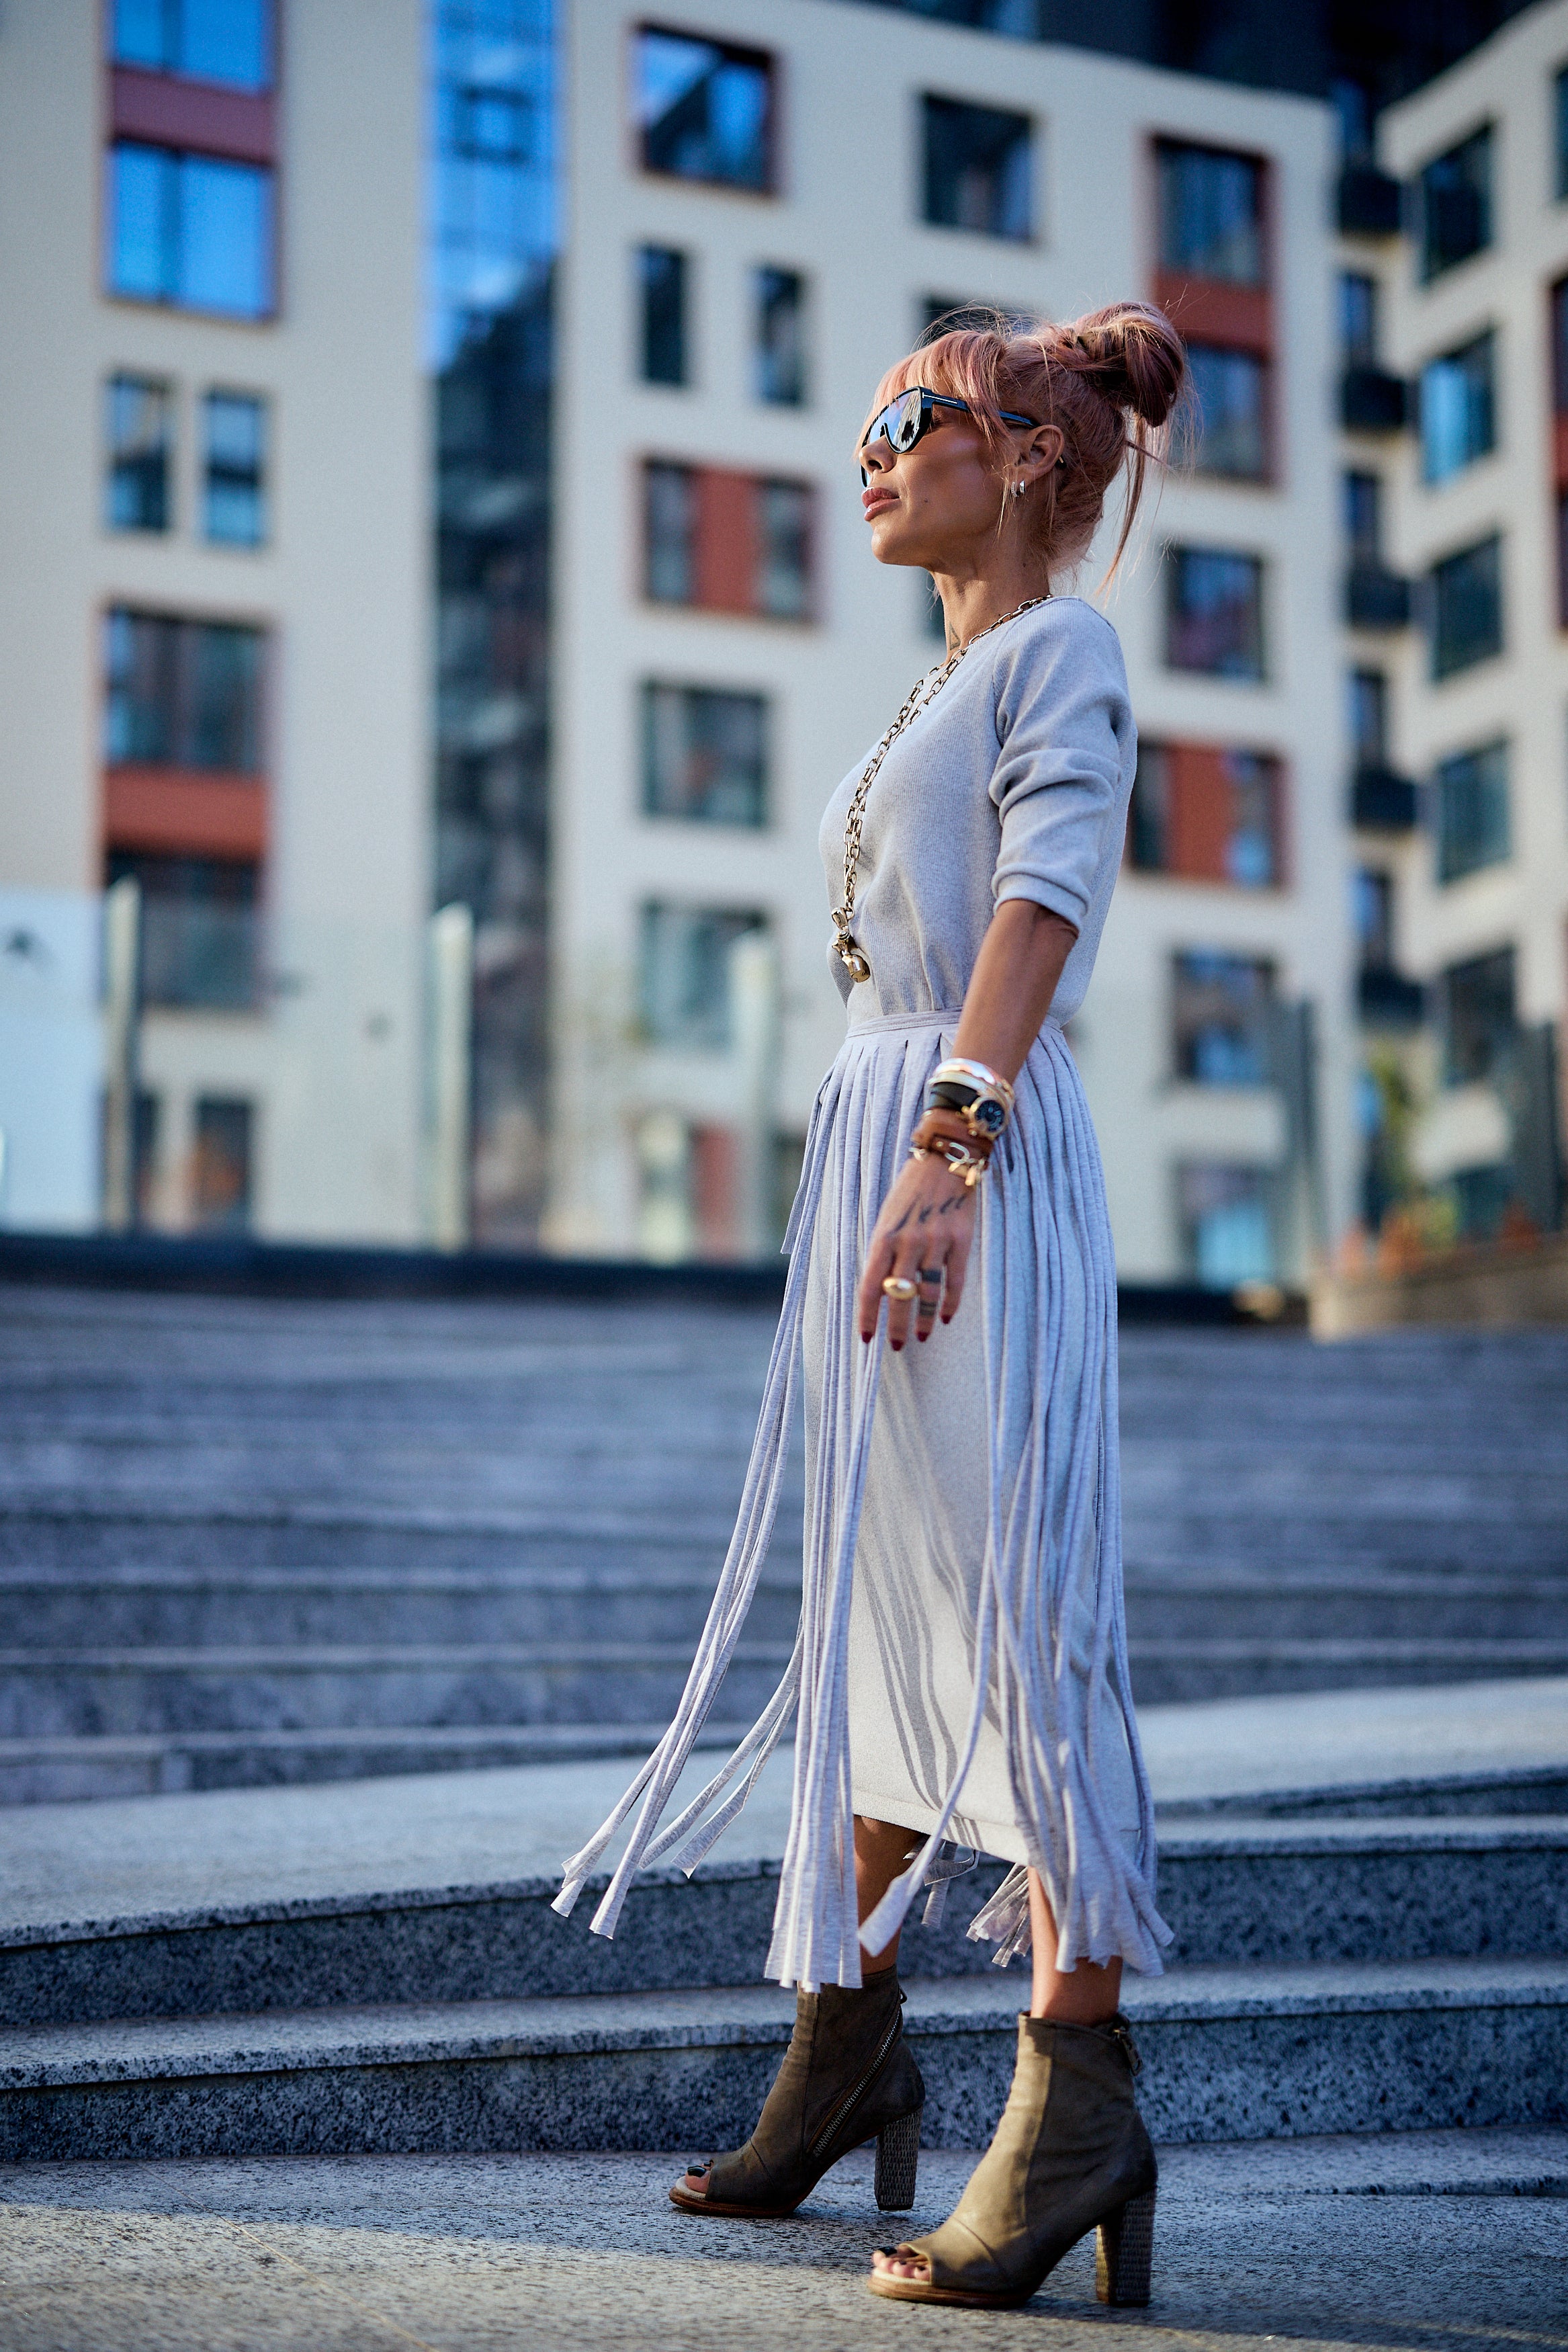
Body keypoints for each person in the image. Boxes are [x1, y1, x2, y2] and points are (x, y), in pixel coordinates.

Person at [556, 303, 1188, 2312]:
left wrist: (951, 1141)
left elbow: (1044, 901)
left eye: (909, 418)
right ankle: (850, 2040)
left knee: (1015, 1600)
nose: (872, 454)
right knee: (884, 1602)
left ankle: (1076, 2091)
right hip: (890, 1152)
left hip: (963, 1157)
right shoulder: (944, 677)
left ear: (1027, 455)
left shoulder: (1063, 651)